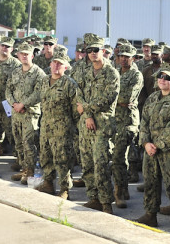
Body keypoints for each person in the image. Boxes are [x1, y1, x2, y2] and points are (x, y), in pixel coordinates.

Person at [133, 63, 170, 237]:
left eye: (167, 78)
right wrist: (145, 143)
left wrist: (156, 145)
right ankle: (151, 215)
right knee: (151, 183)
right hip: (151, 151)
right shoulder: (152, 98)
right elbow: (144, 123)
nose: (162, 80)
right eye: (160, 77)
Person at [76, 37, 120, 214]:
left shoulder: (111, 73)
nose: (93, 53)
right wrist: (87, 115)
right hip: (86, 124)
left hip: (102, 124)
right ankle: (93, 198)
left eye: (96, 50)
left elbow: (108, 98)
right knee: (86, 163)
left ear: (103, 50)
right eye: (90, 50)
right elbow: (79, 94)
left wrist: (86, 109)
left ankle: (106, 202)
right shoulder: (86, 72)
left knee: (101, 164)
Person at [37, 54, 78, 199]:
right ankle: (48, 183)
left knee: (62, 159)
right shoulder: (43, 81)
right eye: (54, 63)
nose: (56, 66)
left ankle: (64, 189)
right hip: (45, 126)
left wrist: (72, 129)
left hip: (62, 129)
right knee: (45, 156)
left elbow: (75, 110)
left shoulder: (69, 84)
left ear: (65, 67)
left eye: (60, 64)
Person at [6, 43, 46, 184]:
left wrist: (23, 104)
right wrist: (14, 104)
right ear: (18, 55)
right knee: (18, 143)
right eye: (21, 53)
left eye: (27, 54)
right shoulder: (15, 72)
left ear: (32, 56)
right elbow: (8, 90)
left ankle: (29, 171)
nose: (24, 56)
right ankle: (23, 169)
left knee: (28, 143)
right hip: (16, 113)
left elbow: (39, 92)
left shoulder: (38, 73)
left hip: (30, 113)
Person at [112, 43, 143, 208]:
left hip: (128, 121)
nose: (123, 59)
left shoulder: (136, 75)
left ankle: (119, 192)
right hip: (115, 119)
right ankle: (123, 189)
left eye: (127, 56)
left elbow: (127, 98)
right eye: (121, 56)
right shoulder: (116, 72)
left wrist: (109, 99)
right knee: (118, 157)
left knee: (118, 156)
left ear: (133, 57)